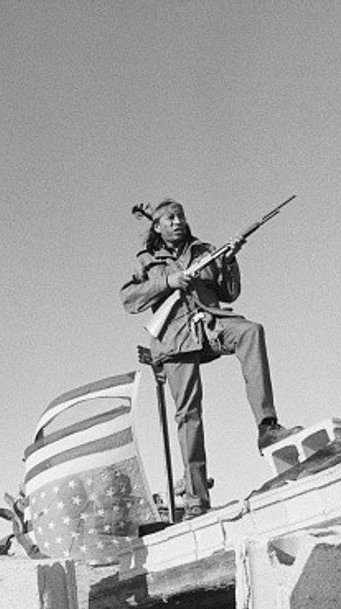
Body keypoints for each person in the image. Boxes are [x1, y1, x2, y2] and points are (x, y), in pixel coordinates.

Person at [121, 198, 299, 519]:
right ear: (158, 227)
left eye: (181, 216)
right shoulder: (146, 260)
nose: (177, 222)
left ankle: (267, 426)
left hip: (211, 324)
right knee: (189, 416)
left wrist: (229, 261)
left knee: (251, 331)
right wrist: (168, 281)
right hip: (175, 337)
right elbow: (129, 299)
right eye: (170, 218)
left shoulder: (204, 250)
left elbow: (229, 293)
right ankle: (196, 501)